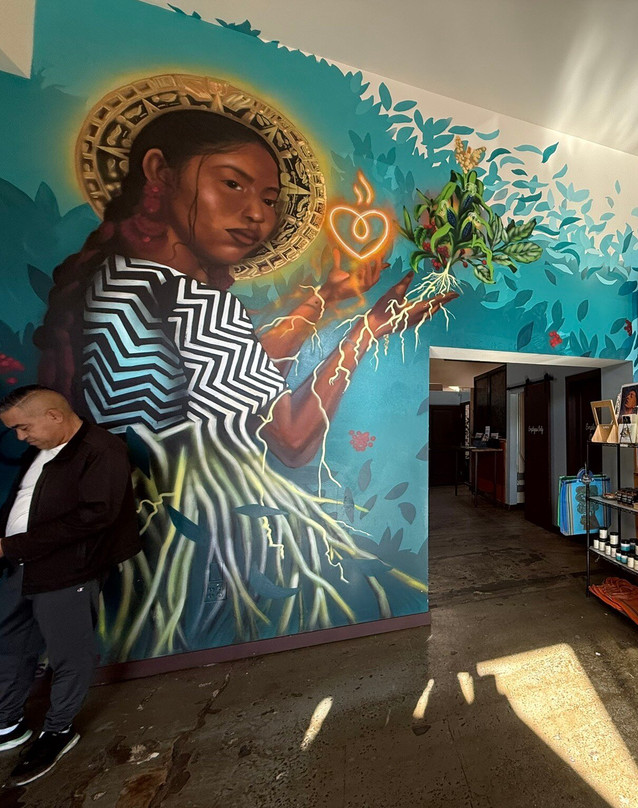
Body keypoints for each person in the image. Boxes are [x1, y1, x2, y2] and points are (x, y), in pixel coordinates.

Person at [36, 82, 453, 661]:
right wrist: (367, 331)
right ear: (159, 172)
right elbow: (292, 440)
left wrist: (327, 298)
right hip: (200, 549)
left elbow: (230, 372)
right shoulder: (198, 304)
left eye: (269, 198)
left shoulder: (117, 280)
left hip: (132, 543)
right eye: (232, 183)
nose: (257, 212)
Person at [0, 385, 139, 786]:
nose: (20, 437)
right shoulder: (43, 448)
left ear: (54, 416)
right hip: (22, 566)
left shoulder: (101, 450)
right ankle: (7, 723)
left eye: (24, 428)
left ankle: (58, 730)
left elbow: (94, 518)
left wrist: (11, 545)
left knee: (69, 654)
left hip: (68, 571)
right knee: (10, 642)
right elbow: (26, 501)